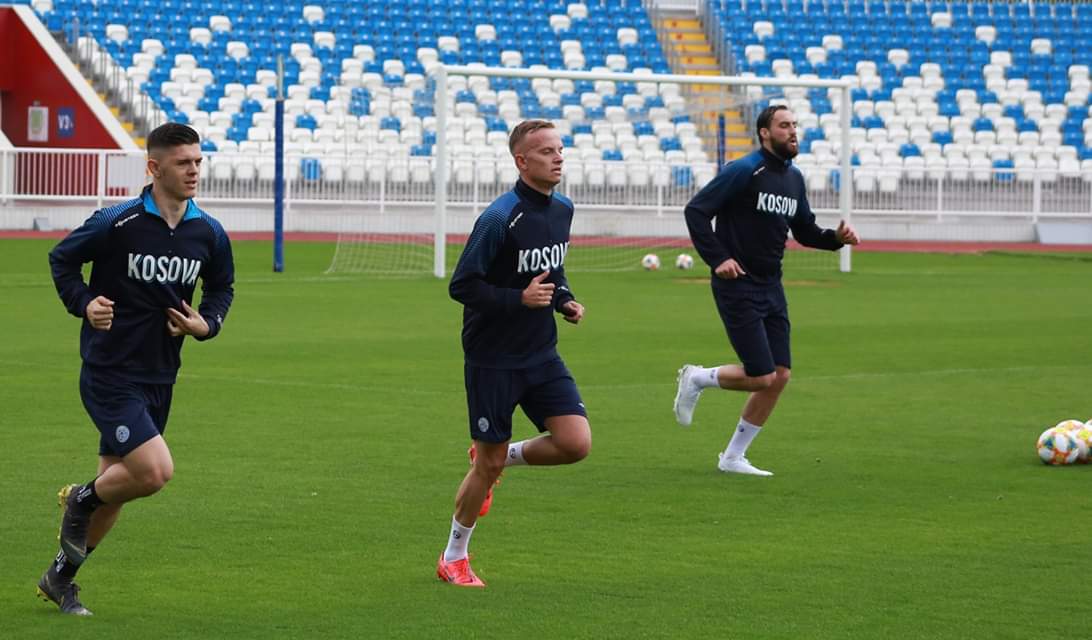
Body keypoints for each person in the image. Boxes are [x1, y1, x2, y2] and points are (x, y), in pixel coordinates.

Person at [39, 123, 235, 615]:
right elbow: (62, 260)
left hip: (161, 375)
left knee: (118, 491)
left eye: (198, 161)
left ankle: (60, 578)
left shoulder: (209, 232)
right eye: (183, 162)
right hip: (110, 370)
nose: (194, 170)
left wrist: (206, 324)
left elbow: (221, 288)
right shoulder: (116, 221)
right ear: (154, 167)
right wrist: (85, 303)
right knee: (154, 471)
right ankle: (79, 498)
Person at [437, 120, 592, 587]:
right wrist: (517, 299)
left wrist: (563, 300)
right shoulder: (498, 218)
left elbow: (551, 269)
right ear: (522, 161)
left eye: (560, 149)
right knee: (484, 466)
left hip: (541, 352)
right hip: (493, 359)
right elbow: (462, 286)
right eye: (546, 151)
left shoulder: (563, 208)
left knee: (575, 443)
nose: (558, 157)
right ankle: (454, 556)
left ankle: (500, 457)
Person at [674, 105, 859, 476]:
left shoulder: (794, 179)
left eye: (795, 125)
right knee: (761, 376)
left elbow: (805, 230)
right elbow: (696, 211)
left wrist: (835, 239)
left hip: (772, 285)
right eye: (784, 125)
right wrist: (719, 258)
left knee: (780, 375)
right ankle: (696, 377)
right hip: (737, 284)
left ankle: (732, 458)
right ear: (764, 132)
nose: (793, 131)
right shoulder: (744, 170)